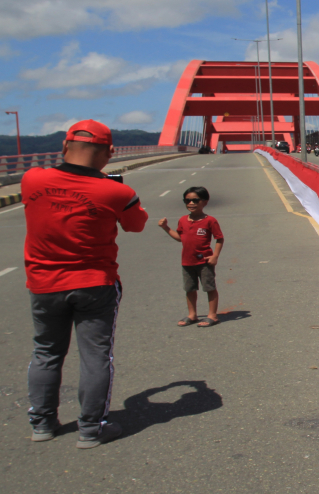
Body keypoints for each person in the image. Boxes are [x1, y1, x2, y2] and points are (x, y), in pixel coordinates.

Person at [23, 119, 148, 449]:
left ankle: (42, 424)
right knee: (95, 357)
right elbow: (136, 225)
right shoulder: (118, 192)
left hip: (43, 284)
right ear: (110, 152)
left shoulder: (30, 179)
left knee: (46, 352)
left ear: (64, 147)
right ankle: (91, 429)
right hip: (95, 284)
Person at [158, 187, 224, 328]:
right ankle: (192, 314)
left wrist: (215, 256)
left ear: (205, 202)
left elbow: (219, 239)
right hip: (187, 261)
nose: (191, 203)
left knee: (209, 287)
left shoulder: (210, 221)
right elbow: (180, 238)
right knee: (190, 288)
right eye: (188, 200)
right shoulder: (183, 220)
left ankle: (212, 315)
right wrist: (166, 228)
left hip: (205, 261)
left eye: (195, 200)